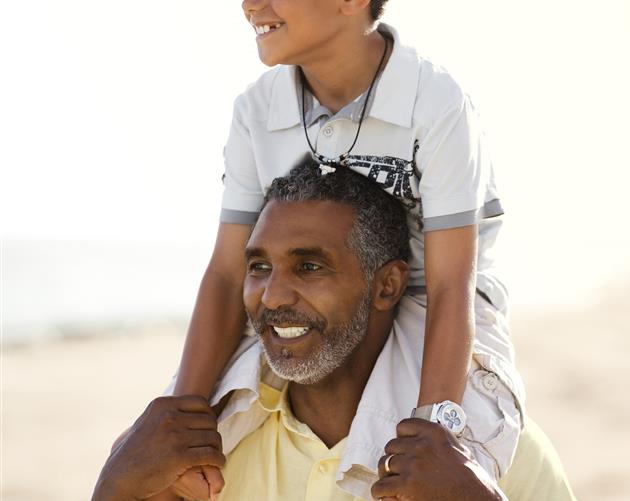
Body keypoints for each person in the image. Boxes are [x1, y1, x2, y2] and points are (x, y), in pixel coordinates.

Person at [163, 0, 525, 497]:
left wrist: (436, 429)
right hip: (310, 297)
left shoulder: (435, 102)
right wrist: (183, 411)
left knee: (440, 464)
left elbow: (449, 284)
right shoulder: (256, 110)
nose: (250, 4)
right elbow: (228, 274)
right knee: (159, 445)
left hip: (434, 308)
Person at [93, 161, 576, 501]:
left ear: (386, 285)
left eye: (308, 266)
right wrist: (114, 486)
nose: (273, 296)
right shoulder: (206, 450)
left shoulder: (491, 445)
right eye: (259, 266)